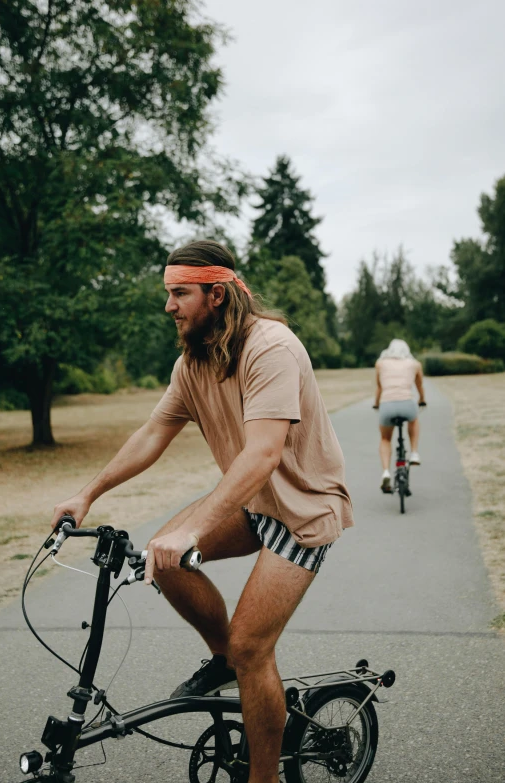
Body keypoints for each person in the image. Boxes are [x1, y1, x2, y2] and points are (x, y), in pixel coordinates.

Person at [50, 240, 354, 783]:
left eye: (179, 293)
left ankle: (263, 774)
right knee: (161, 562)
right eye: (168, 293)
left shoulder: (271, 348)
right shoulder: (192, 363)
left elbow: (263, 454)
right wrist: (88, 493)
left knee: (251, 645)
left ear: (217, 295)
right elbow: (152, 434)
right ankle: (224, 662)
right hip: (254, 502)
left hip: (303, 512)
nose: (168, 306)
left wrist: (193, 525)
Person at [373, 339, 426, 492]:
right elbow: (419, 386)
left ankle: (385, 472)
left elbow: (379, 387)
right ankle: (414, 453)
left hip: (387, 405)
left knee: (385, 439)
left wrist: (377, 404)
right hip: (407, 404)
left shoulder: (380, 363)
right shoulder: (414, 364)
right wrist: (422, 399)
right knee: (414, 420)